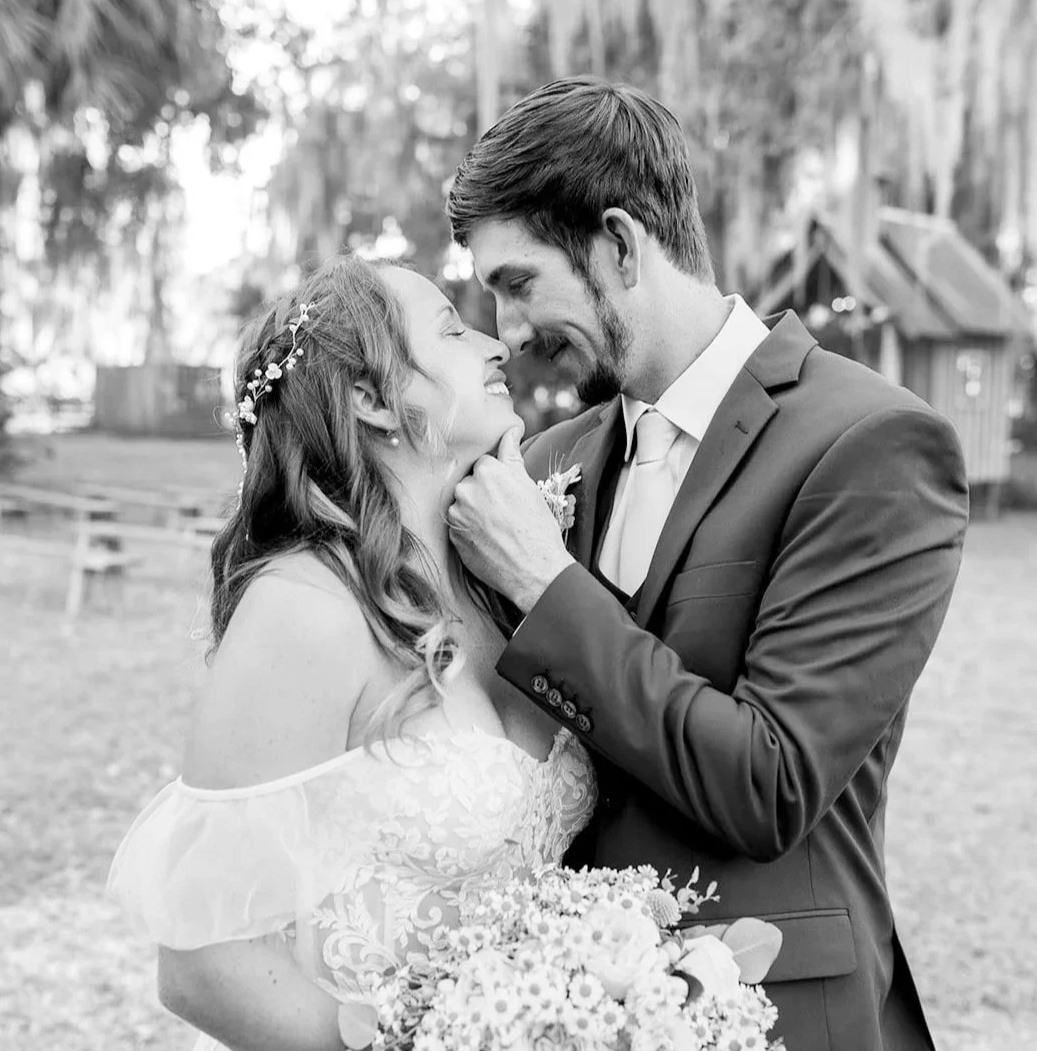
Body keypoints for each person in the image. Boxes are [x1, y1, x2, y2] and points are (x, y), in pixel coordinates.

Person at [444, 76, 969, 1051]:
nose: (509, 332)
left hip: (777, 1009)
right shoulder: (550, 466)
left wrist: (543, 588)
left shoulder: (872, 445)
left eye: (518, 285)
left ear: (618, 244)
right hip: (562, 1004)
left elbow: (770, 782)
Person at [106, 257, 597, 1051]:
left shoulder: (504, 586)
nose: (496, 343)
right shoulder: (303, 610)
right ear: (371, 399)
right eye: (450, 326)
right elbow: (199, 963)